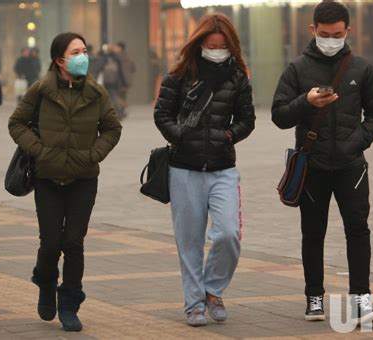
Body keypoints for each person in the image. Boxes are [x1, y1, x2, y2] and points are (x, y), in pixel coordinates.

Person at [271, 1, 373, 325]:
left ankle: (361, 299)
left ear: (347, 31)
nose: (331, 39)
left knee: (358, 229)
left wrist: (357, 142)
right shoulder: (296, 69)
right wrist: (304, 101)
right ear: (313, 30)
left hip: (351, 166)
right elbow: (278, 115)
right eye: (324, 34)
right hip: (313, 165)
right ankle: (314, 296)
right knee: (312, 232)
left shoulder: (362, 69)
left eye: (337, 34)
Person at [8, 32, 122, 332]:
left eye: (85, 50)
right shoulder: (41, 90)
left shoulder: (96, 93)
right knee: (50, 243)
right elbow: (16, 123)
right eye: (76, 52)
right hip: (47, 177)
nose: (83, 56)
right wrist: (40, 150)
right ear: (60, 60)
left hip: (83, 179)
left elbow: (112, 128)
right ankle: (46, 281)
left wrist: (94, 154)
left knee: (73, 243)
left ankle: (69, 303)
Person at [154, 13, 255, 327]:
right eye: (210, 46)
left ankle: (213, 289)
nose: (216, 51)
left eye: (221, 47)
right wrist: (179, 135)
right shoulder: (179, 76)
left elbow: (247, 120)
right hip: (184, 169)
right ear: (198, 44)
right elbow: (162, 114)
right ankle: (194, 304)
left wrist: (228, 135)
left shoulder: (237, 77)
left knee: (228, 233)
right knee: (190, 242)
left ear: (231, 47)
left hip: (223, 168)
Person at [91, 44, 127, 119]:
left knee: (107, 98)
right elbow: (121, 71)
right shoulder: (116, 58)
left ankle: (110, 113)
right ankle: (119, 112)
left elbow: (97, 69)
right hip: (115, 82)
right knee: (115, 97)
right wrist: (123, 82)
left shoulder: (103, 58)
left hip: (106, 81)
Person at [115, 41, 136, 109]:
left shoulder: (118, 57)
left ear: (120, 48)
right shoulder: (127, 57)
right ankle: (122, 109)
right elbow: (133, 68)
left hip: (121, 80)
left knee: (119, 96)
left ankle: (122, 109)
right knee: (122, 96)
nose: (115, 48)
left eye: (117, 47)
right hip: (126, 79)